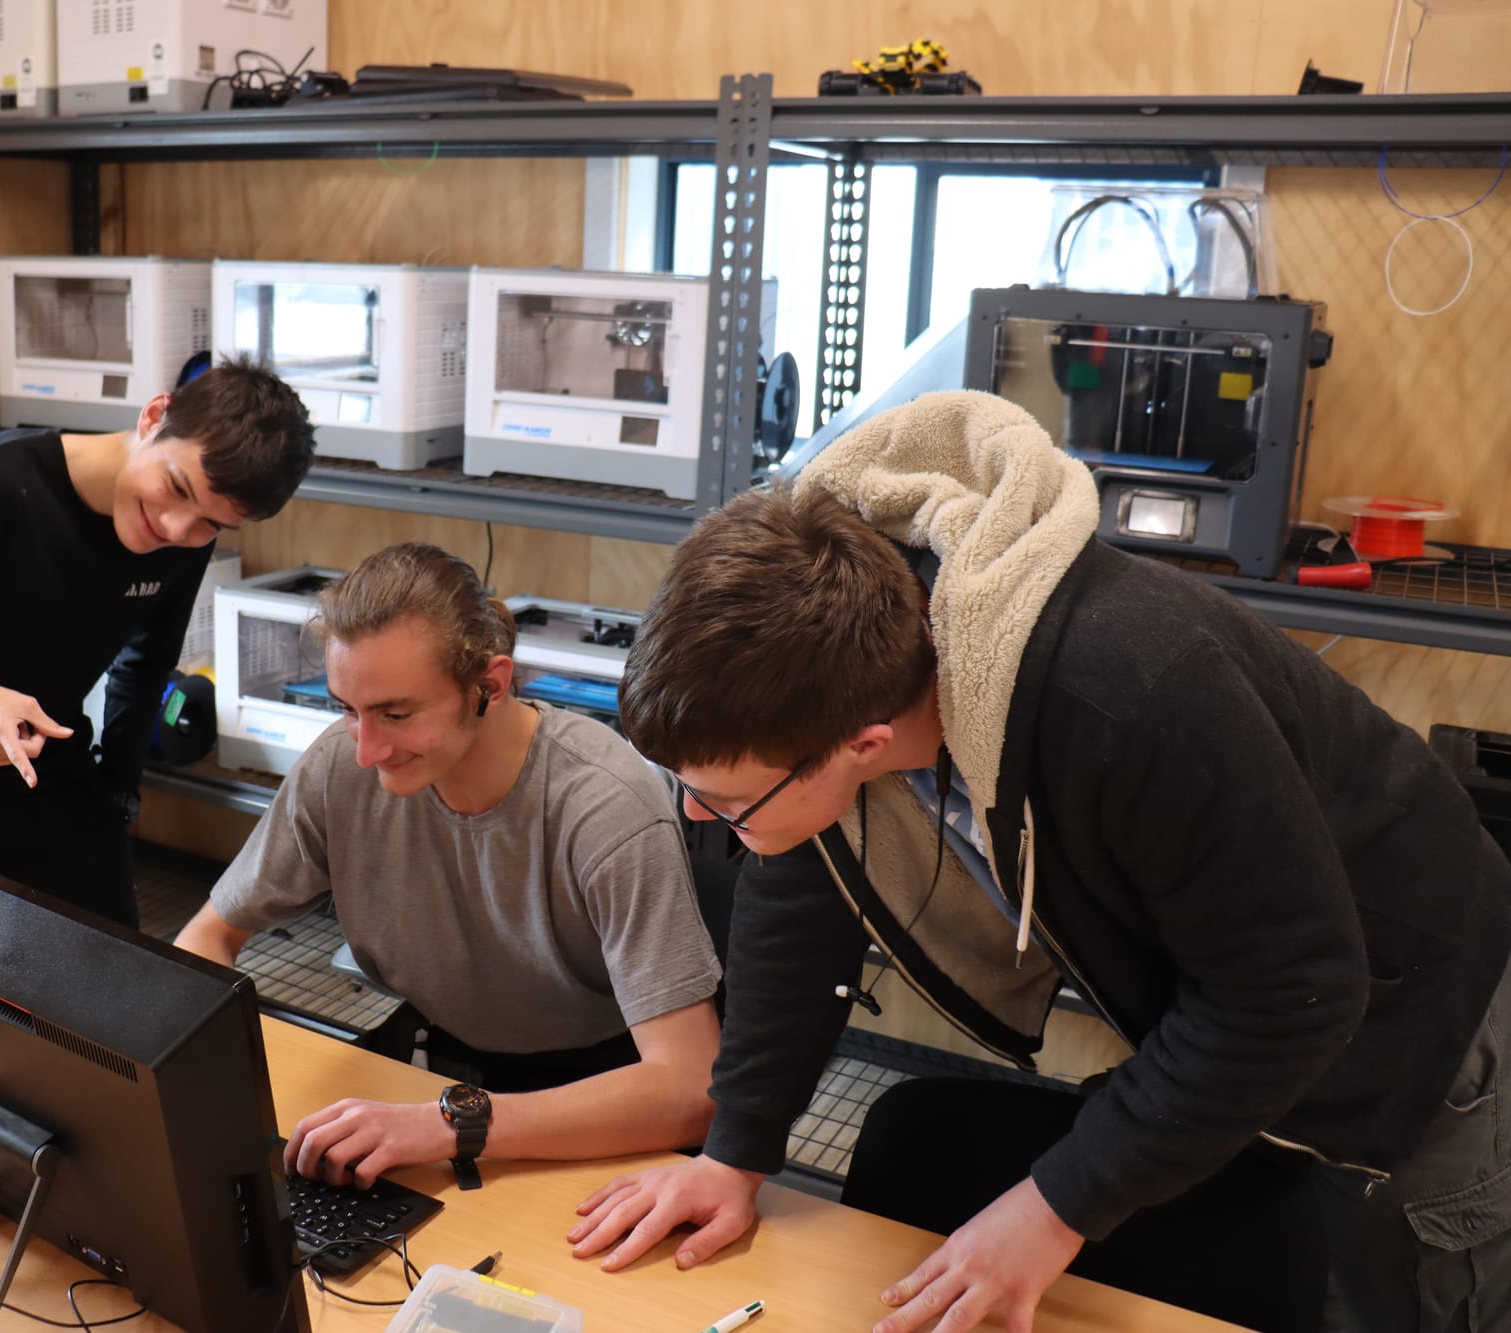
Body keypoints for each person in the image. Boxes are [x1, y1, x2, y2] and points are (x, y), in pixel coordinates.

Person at [567, 390, 1511, 1333]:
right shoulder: (857, 648)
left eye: (728, 802)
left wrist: (1049, 1209)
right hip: (1267, 977)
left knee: (1380, 1291)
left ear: (861, 744)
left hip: (1418, 1011)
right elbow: (804, 881)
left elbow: (1287, 990)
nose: (695, 815)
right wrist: (734, 1153)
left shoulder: (1127, 693)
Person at [0, 360, 315, 1140]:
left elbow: (144, 668)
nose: (181, 532)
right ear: (153, 415)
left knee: (111, 1011)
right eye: (177, 490)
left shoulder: (182, 536)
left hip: (38, 767)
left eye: (214, 525)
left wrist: (115, 796)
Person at [175, 542, 723, 1190]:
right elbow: (208, 935)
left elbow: (692, 1091)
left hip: (601, 1088)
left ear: (488, 687)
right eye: (346, 709)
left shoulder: (606, 805)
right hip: (443, 1061)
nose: (366, 749)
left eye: (396, 714)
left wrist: (448, 1124)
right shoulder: (337, 768)